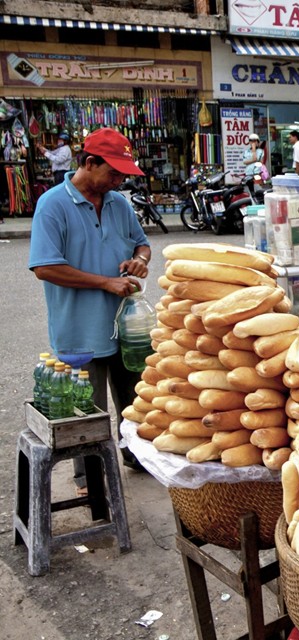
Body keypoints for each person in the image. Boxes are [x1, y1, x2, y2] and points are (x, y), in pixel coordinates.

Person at [28, 127, 151, 481]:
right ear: (89, 162)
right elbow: (45, 267)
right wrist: (105, 282)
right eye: (113, 172)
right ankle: (92, 481)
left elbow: (141, 244)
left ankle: (137, 459)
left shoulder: (118, 203)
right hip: (80, 333)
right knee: (88, 416)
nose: (118, 180)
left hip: (127, 328)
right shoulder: (53, 204)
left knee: (137, 404)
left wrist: (139, 259)